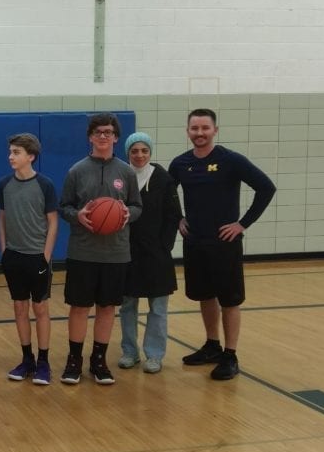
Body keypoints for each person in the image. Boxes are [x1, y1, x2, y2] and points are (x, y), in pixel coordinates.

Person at [168, 108, 276, 380]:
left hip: (224, 243)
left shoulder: (231, 160)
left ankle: (230, 354)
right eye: (195, 128)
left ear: (215, 130)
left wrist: (242, 224)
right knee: (204, 295)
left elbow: (266, 188)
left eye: (205, 128)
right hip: (195, 242)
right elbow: (168, 194)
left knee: (229, 299)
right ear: (187, 131)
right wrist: (178, 218)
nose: (200, 133)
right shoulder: (180, 163)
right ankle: (212, 345)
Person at [58, 113, 142, 386]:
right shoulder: (76, 170)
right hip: (83, 251)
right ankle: (74, 361)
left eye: (108, 132)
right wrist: (77, 215)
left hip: (116, 253)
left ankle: (99, 361)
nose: (103, 136)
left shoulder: (127, 172)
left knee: (107, 308)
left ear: (116, 137)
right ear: (90, 137)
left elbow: (137, 206)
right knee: (79, 308)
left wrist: (127, 213)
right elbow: (64, 207)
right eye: (98, 132)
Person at [0, 133, 58, 385]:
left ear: (30, 156)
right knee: (19, 308)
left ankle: (44, 362)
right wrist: (3, 250)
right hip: (13, 256)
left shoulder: (45, 184)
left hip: (37, 257)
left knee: (40, 308)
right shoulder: (3, 184)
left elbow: (53, 222)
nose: (11, 156)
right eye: (10, 152)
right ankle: (26, 359)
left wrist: (45, 256)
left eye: (16, 152)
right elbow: (1, 219)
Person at [118, 132, 182, 374]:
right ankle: (129, 352)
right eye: (134, 151)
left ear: (150, 152)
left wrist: (164, 246)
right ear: (128, 153)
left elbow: (174, 214)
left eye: (144, 150)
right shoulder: (121, 176)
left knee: (157, 307)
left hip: (156, 253)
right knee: (127, 304)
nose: (140, 155)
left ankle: (154, 355)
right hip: (127, 251)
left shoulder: (164, 179)